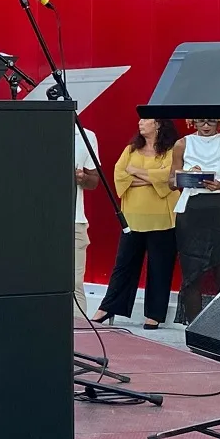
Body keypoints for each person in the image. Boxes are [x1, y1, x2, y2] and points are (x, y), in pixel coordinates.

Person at [92, 118, 180, 329]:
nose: (140, 123)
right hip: (132, 217)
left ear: (158, 124)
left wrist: (135, 172)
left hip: (162, 217)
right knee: (124, 264)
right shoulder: (131, 150)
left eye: (146, 120)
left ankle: (154, 314)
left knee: (160, 266)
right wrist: (151, 178)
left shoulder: (171, 151)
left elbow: (169, 178)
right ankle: (109, 307)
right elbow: (119, 175)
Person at [171, 119, 220, 324]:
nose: (206, 126)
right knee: (192, 273)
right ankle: (194, 327)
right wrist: (186, 176)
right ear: (193, 122)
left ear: (219, 122)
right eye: (201, 121)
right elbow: (170, 182)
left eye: (211, 121)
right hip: (192, 212)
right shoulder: (182, 144)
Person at [73, 125, 100, 317]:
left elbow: (94, 180)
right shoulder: (32, 131)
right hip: (39, 222)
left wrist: (82, 177)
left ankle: (78, 329)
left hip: (75, 221)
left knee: (74, 283)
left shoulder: (86, 135)